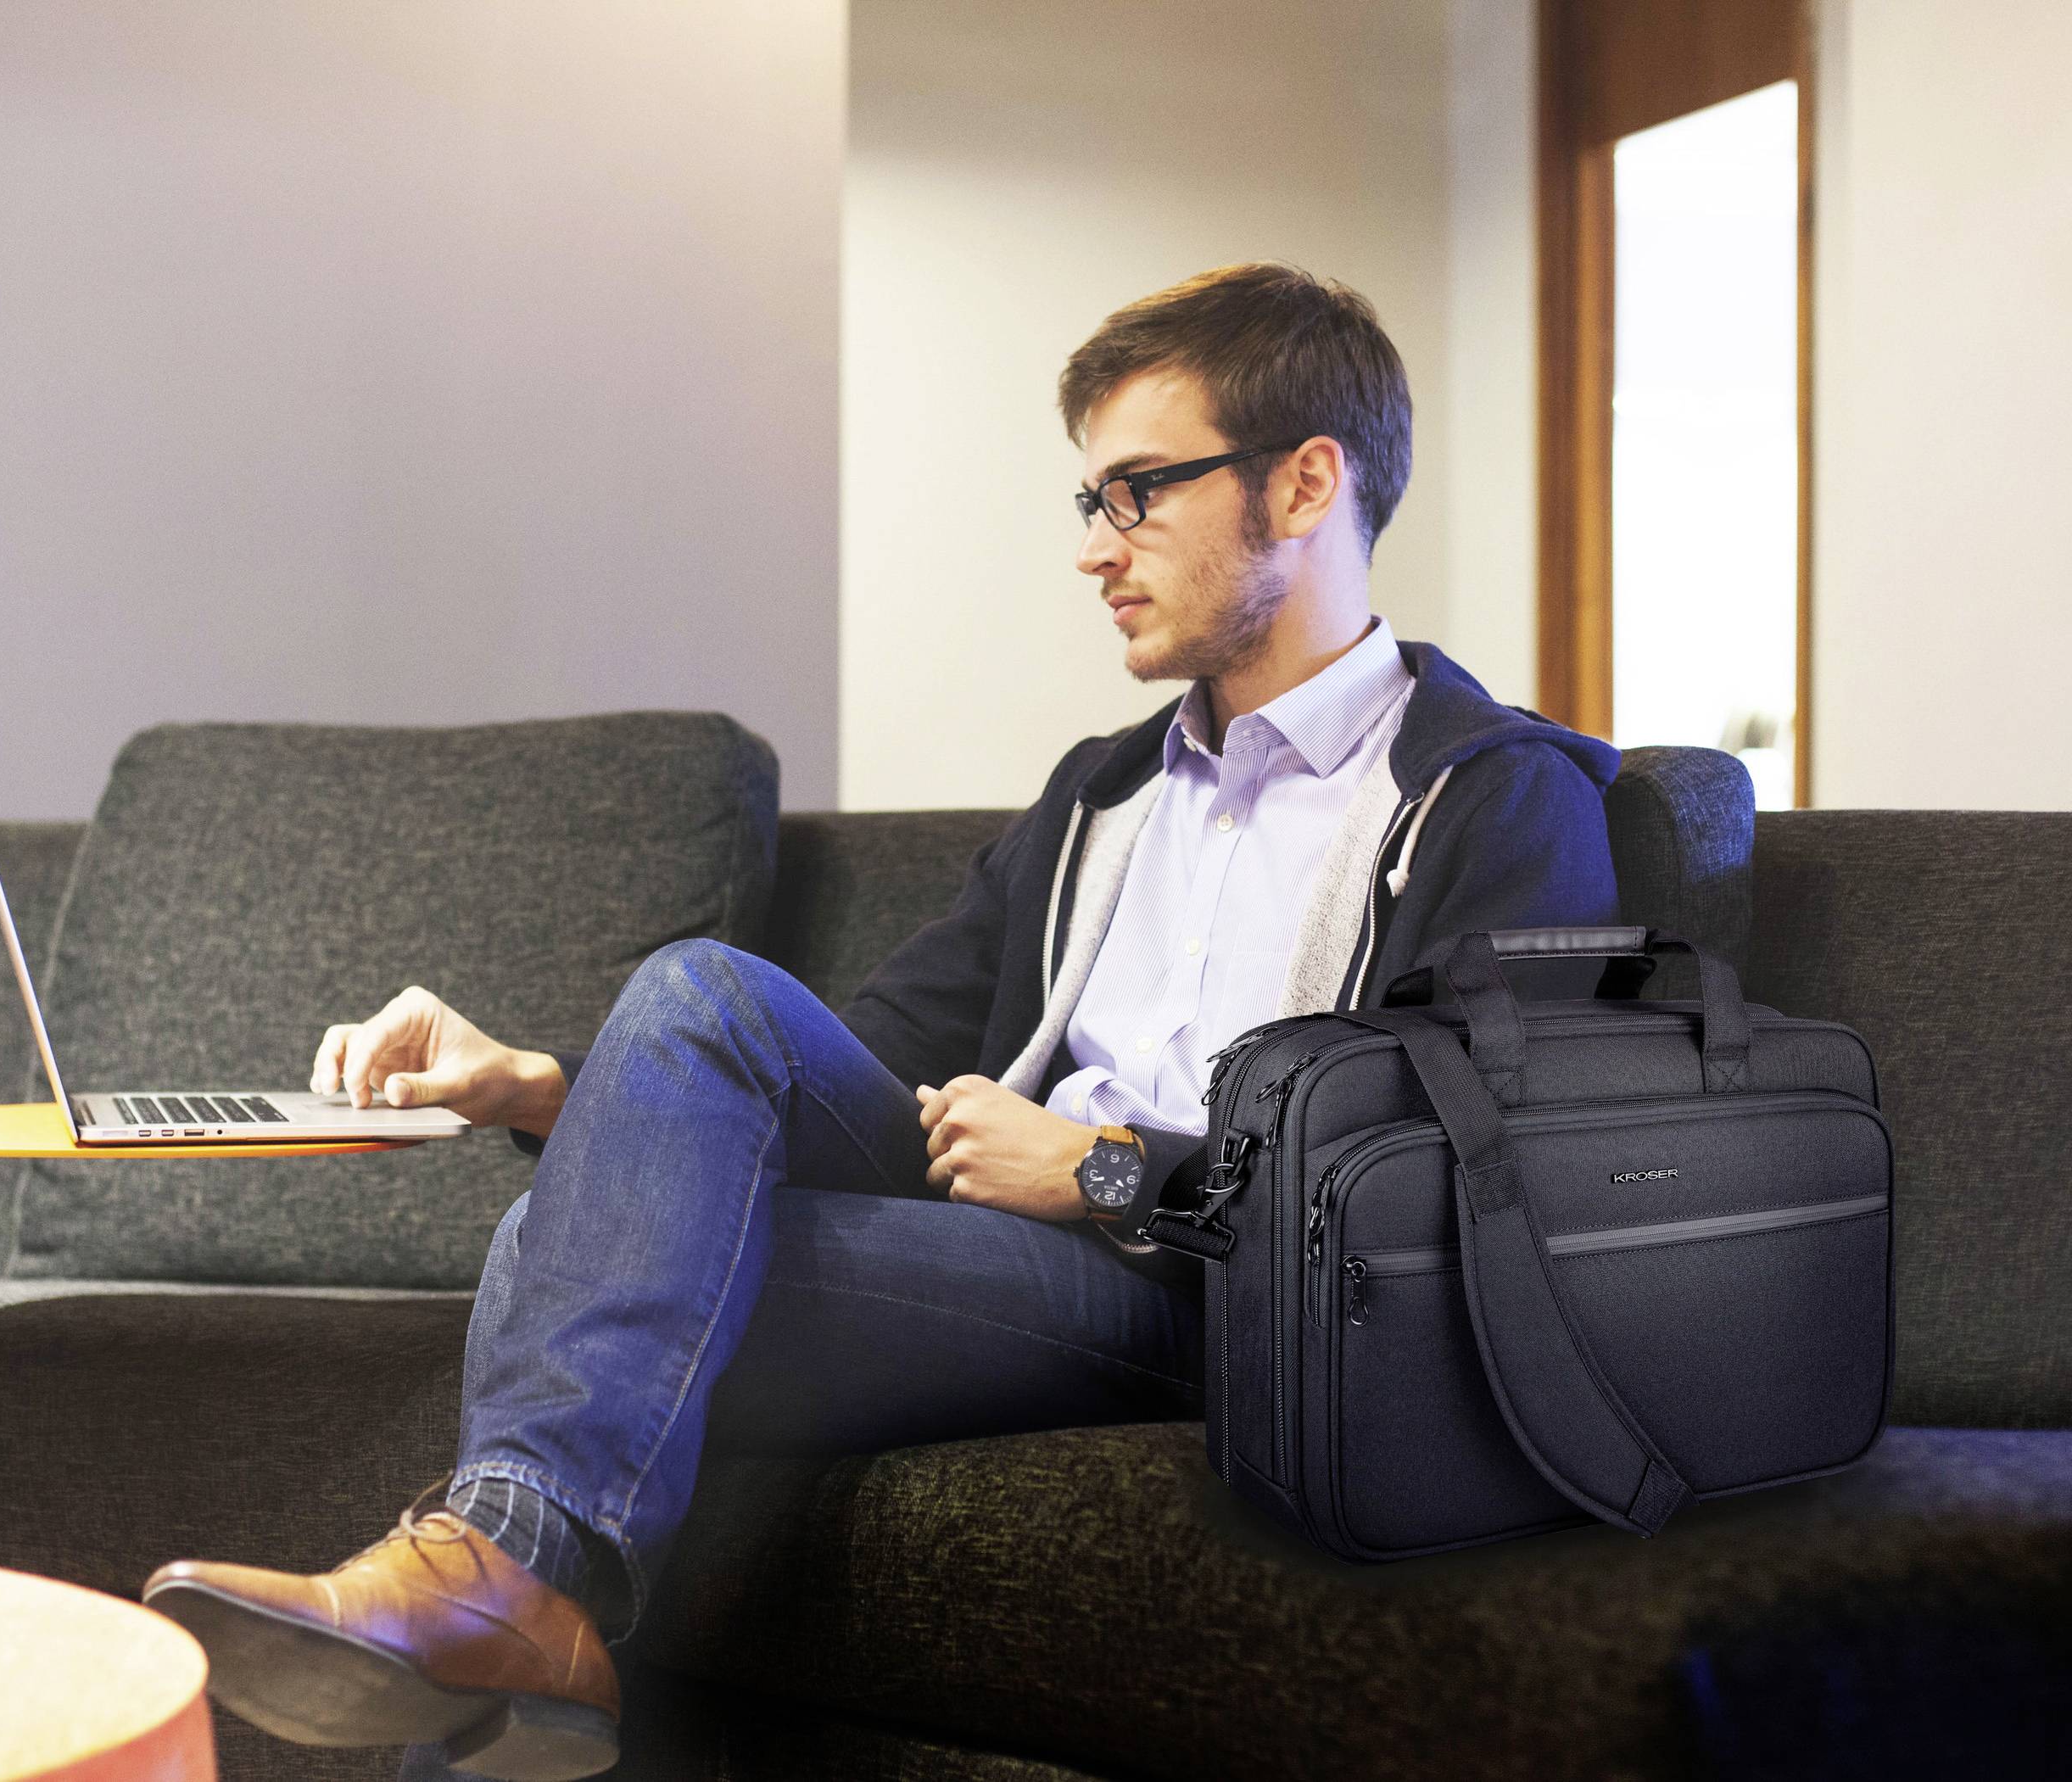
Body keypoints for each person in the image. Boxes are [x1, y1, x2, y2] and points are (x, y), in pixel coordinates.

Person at [142, 262, 1622, 1781]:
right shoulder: (1105, 794)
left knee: (564, 1263)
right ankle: (518, 1603)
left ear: (1306, 482)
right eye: (1088, 501)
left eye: (1138, 492)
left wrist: (1106, 1167)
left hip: (1228, 1307)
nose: (1096, 550)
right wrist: (539, 1087)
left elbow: (1466, 1190)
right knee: (693, 1009)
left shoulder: (1494, 796)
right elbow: (828, 1053)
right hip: (1008, 1241)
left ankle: (504, 1592)